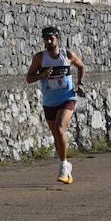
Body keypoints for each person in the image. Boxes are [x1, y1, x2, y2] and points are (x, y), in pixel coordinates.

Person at [25, 26, 85, 184]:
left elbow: (81, 66)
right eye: (46, 39)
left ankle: (64, 165)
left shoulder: (68, 55)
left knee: (59, 128)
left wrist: (80, 84)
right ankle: (66, 168)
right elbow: (29, 78)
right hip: (49, 102)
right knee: (57, 137)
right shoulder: (39, 58)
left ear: (58, 39)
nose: (49, 42)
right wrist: (42, 75)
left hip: (68, 98)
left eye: (52, 39)